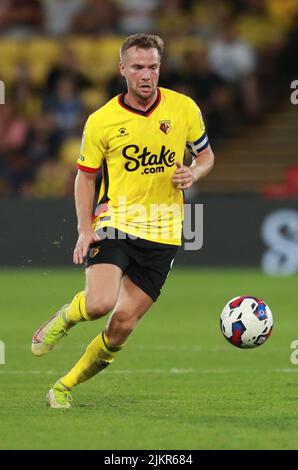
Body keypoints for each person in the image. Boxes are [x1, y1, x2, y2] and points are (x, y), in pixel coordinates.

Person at [31, 34, 214, 409]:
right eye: (137, 67)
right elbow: (85, 177)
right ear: (122, 70)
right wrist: (85, 229)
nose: (146, 75)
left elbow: (207, 156)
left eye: (152, 67)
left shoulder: (184, 109)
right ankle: (65, 318)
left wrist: (194, 173)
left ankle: (64, 387)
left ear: (159, 68)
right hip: (116, 221)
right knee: (99, 304)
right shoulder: (102, 120)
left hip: (164, 231)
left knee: (122, 326)